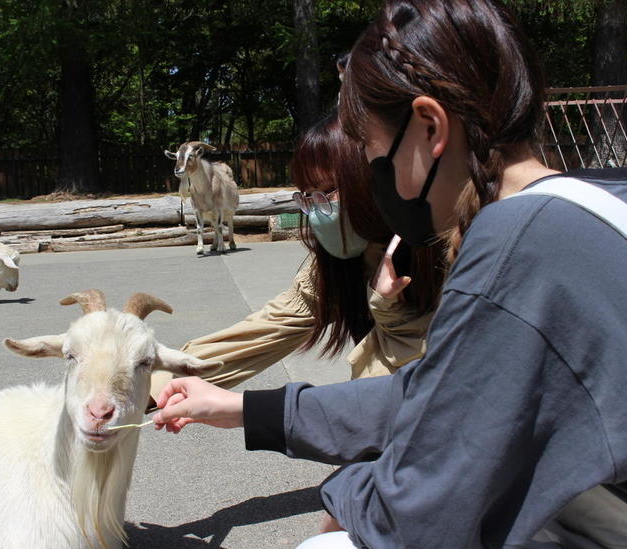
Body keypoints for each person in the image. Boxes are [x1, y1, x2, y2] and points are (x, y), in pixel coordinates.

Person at [151, 1, 627, 549]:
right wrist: (244, 408)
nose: (373, 180)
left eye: (371, 154)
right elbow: (435, 393)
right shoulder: (600, 203)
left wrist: (343, 489)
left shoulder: (513, 242)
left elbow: (417, 518)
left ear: (431, 127)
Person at [149, 109, 443, 403]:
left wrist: (388, 309)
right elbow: (264, 331)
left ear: (369, 179)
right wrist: (148, 382)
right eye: (307, 196)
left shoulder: (443, 256)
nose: (316, 209)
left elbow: (388, 401)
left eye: (327, 191)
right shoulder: (337, 265)